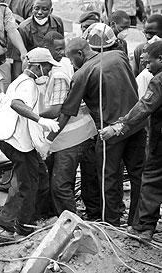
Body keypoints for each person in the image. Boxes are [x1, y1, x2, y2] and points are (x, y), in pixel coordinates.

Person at [41, 38, 146, 227]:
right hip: (135, 124)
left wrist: (48, 140)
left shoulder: (82, 74)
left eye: (71, 59)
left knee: (108, 178)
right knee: (138, 175)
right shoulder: (119, 55)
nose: (72, 64)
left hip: (109, 132)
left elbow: (66, 112)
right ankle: (137, 222)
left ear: (80, 54)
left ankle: (111, 224)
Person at [0, 48, 60, 237]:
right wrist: (40, 120)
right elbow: (16, 104)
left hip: (17, 140)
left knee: (40, 177)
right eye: (46, 67)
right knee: (28, 184)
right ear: (37, 67)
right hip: (15, 141)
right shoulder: (27, 84)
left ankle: (25, 219)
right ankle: (18, 227)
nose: (48, 71)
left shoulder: (23, 81)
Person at [99, 40, 162, 241]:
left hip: (160, 141)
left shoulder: (158, 81)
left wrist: (120, 126)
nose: (146, 67)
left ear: (160, 59)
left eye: (148, 62)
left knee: (151, 179)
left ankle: (143, 228)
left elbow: (145, 106)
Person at [41, 31, 97, 216]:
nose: (60, 52)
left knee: (60, 184)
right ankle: (94, 216)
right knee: (89, 180)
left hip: (70, 136)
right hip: (84, 131)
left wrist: (31, 115)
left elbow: (58, 110)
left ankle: (70, 223)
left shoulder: (57, 73)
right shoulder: (65, 62)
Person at [12, 0, 64, 81]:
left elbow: (61, 47)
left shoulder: (58, 23)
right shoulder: (24, 28)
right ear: (32, 9)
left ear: (51, 10)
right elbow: (18, 59)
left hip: (54, 67)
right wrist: (19, 80)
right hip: (34, 71)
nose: (39, 12)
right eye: (36, 8)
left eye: (44, 9)